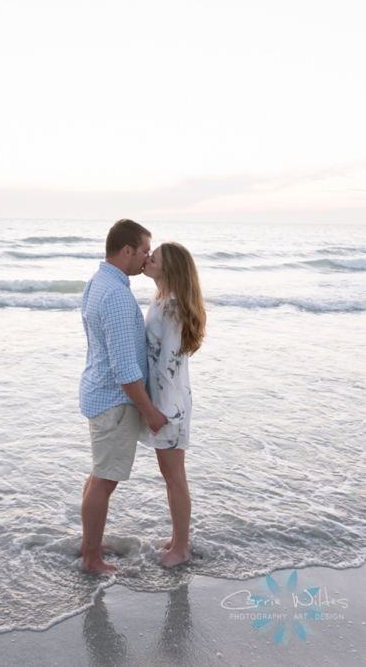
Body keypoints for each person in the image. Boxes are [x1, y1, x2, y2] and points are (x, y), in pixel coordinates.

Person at [79, 219, 168, 575]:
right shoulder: (115, 295)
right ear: (127, 250)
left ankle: (91, 544)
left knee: (98, 476)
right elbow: (124, 369)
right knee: (104, 480)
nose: (147, 257)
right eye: (145, 250)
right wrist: (150, 412)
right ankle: (91, 559)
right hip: (114, 401)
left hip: (99, 393)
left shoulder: (99, 282)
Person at [138, 242, 206, 567]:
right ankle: (178, 539)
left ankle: (181, 549)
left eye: (154, 258)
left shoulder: (173, 307)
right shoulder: (161, 300)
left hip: (170, 405)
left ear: (169, 268)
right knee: (170, 474)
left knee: (175, 475)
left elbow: (168, 363)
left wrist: (157, 411)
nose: (147, 259)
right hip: (168, 402)